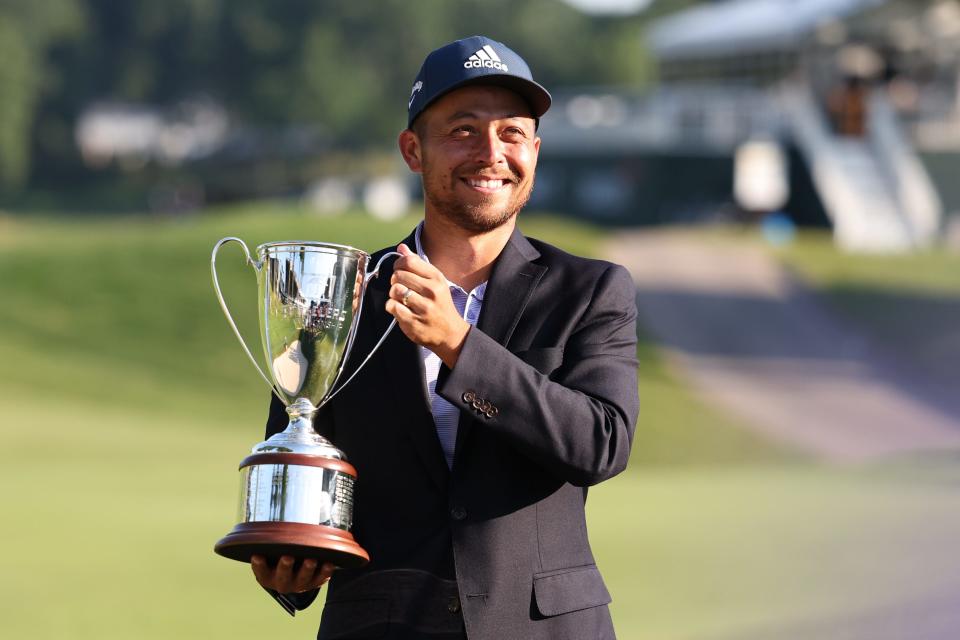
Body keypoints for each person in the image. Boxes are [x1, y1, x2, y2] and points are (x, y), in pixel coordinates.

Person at [251, 35, 639, 639]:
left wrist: (459, 344)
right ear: (413, 149)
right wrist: (289, 567)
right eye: (462, 130)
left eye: (512, 133)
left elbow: (600, 444)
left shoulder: (590, 291)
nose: (491, 152)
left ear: (534, 150)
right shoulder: (341, 296)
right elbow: (298, 473)